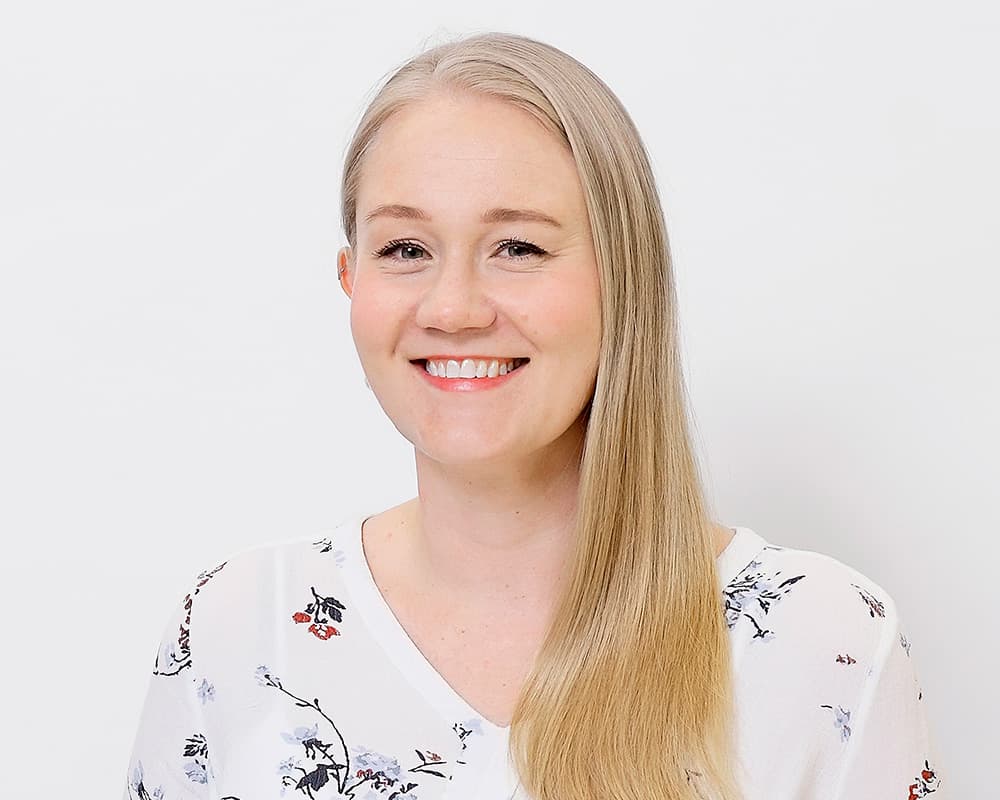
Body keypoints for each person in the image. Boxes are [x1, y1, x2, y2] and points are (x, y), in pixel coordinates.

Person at [122, 31, 944, 800]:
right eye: (406, 249)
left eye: (517, 248)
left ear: (626, 280)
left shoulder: (823, 644)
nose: (453, 309)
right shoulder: (237, 631)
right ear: (351, 280)